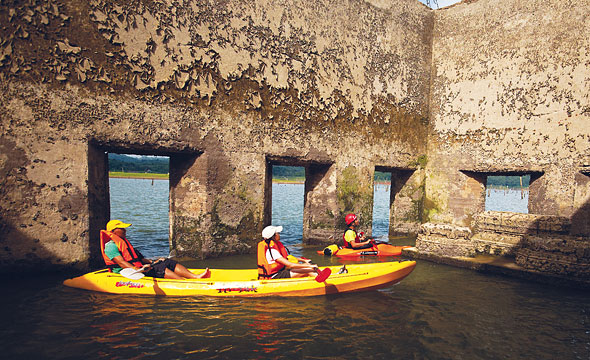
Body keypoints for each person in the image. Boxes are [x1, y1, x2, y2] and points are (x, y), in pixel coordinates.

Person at [100, 219, 210, 279]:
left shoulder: (124, 242)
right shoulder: (110, 246)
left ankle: (195, 277)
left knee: (167, 262)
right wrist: (137, 269)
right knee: (159, 268)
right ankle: (182, 281)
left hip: (139, 267)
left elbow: (139, 259)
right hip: (126, 272)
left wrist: (153, 261)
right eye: (122, 229)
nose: (125, 230)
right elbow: (122, 263)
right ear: (113, 231)